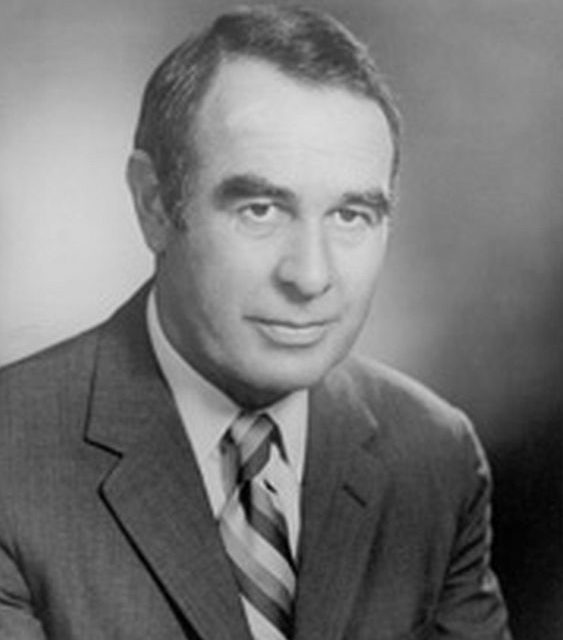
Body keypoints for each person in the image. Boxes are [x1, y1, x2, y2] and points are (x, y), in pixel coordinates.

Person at [0, 5, 511, 639]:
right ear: (154, 204)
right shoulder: (12, 454)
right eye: (261, 209)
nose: (311, 276)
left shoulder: (435, 456)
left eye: (351, 216)